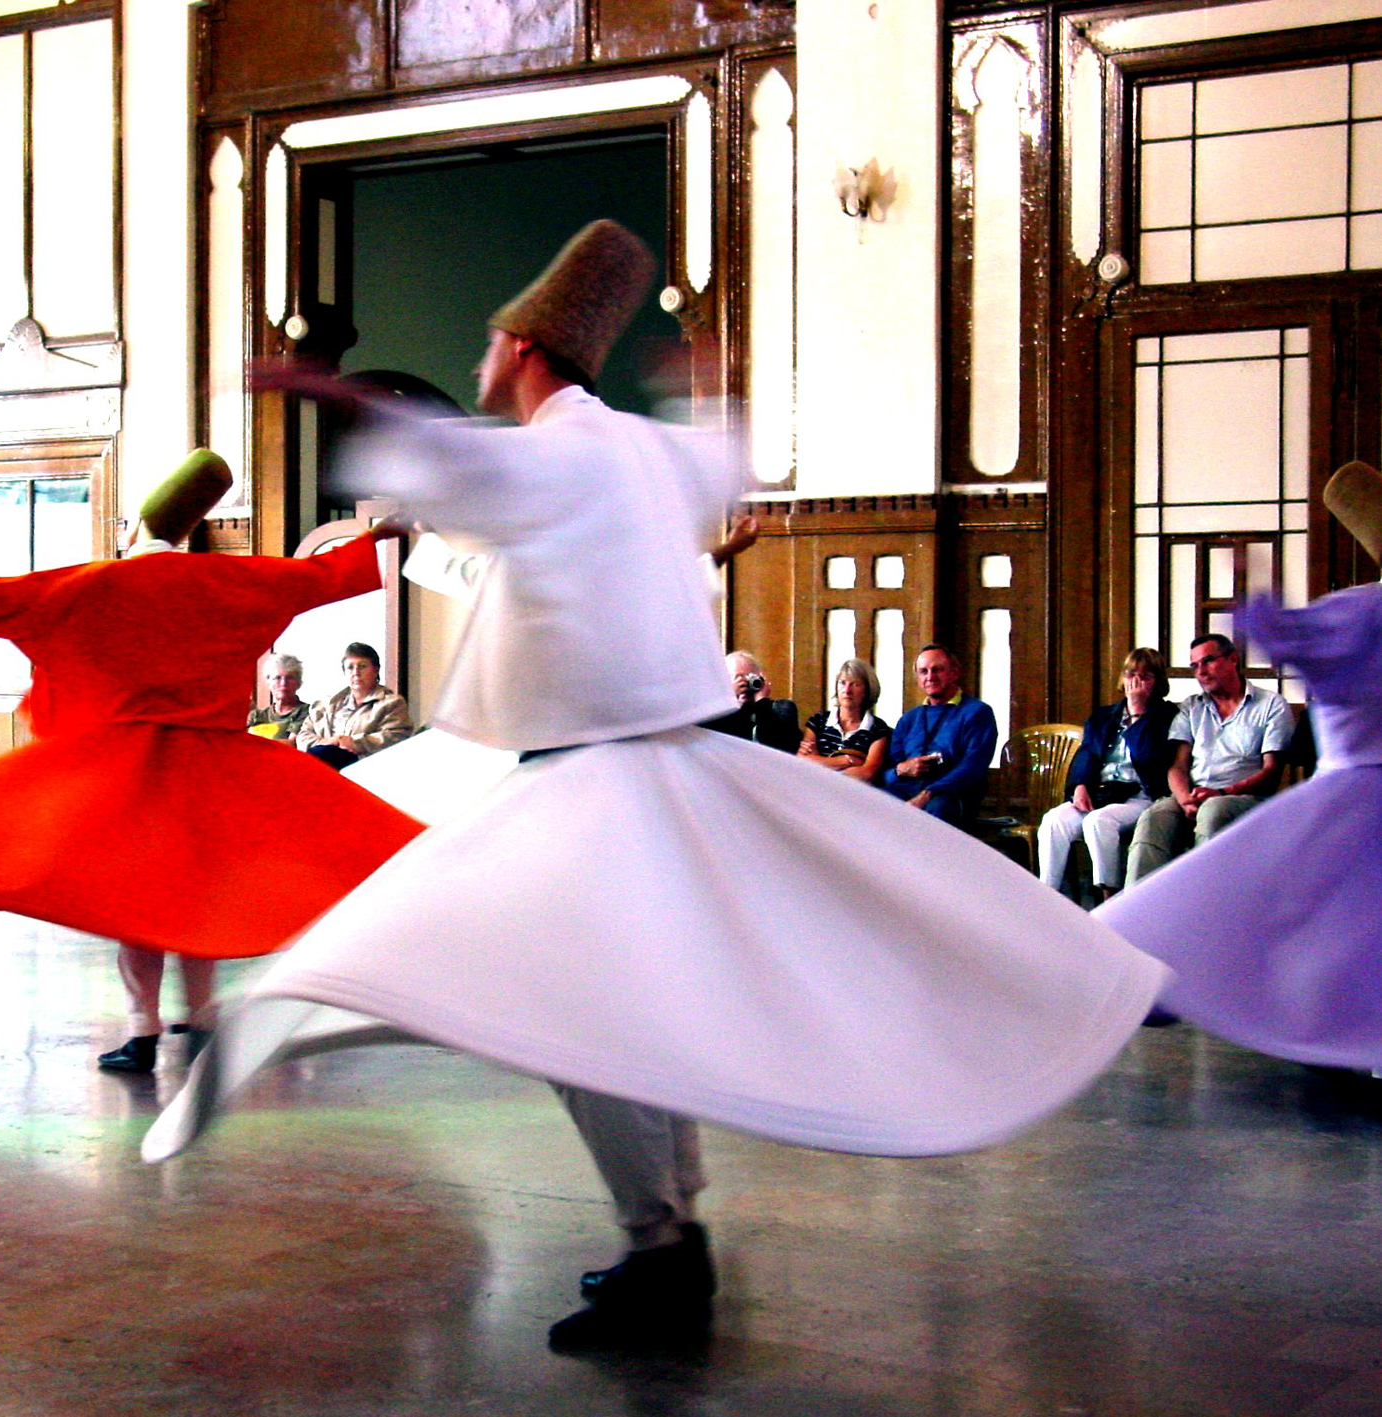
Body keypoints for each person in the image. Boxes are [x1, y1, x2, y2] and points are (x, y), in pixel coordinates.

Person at [144, 220, 1166, 1356]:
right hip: (657, 770)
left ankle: (661, 1242)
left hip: (601, 782)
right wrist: (706, 388)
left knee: (582, 1017)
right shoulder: (630, 446)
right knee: (627, 1004)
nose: (484, 360)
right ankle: (666, 1230)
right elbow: (712, 456)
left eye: (492, 341)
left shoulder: (558, 451)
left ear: (523, 348)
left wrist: (325, 393)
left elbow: (450, 467)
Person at [0, 451, 424, 1075]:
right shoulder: (233, 581)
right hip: (216, 768)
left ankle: (142, 1027)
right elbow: (319, 578)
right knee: (199, 903)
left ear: (130, 530)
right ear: (190, 531)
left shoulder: (93, 584)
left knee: (139, 904)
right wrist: (376, 534)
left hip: (124, 774)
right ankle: (200, 1020)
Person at [1098, 460, 1382, 1067]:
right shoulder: (1364, 611)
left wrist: (1256, 585)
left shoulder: (1362, 611)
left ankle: (1150, 967)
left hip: (1350, 797)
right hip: (1353, 796)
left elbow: (1276, 630)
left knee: (1317, 917)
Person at [1123, 632, 1292, 888]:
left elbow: (1272, 772)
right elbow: (1177, 766)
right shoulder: (1191, 707)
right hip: (1195, 795)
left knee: (1213, 811)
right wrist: (1184, 800)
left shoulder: (1271, 704)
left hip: (1245, 798)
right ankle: (1135, 914)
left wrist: (1222, 791)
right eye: (1194, 666)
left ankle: (1202, 903)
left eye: (1208, 661)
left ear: (1233, 659)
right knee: (1154, 816)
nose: (1200, 671)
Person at [1037, 649, 1178, 901]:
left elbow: (1151, 759)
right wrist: (1080, 785)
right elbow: (1087, 754)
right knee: (1053, 820)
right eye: (1130, 674)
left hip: (1141, 796)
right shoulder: (1103, 716)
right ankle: (1047, 896)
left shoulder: (1167, 717)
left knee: (1098, 822)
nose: (1135, 682)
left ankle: (1108, 895)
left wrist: (1137, 713)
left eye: (1144, 676)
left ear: (1158, 682)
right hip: (1102, 792)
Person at [882, 644, 999, 826]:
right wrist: (901, 770)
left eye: (937, 670)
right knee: (878, 803)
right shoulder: (908, 720)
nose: (930, 677)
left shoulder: (977, 713)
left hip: (951, 795)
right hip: (908, 791)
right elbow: (888, 770)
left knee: (938, 807)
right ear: (918, 678)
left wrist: (929, 793)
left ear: (954, 672)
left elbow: (973, 767)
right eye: (923, 671)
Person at [292, 642, 412, 770]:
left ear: (376, 670)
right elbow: (303, 736)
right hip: (321, 758)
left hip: (362, 765)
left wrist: (354, 743)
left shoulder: (392, 703)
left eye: (362, 666)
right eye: (350, 667)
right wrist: (331, 741)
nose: (356, 672)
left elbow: (396, 737)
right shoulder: (327, 704)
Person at [798, 659, 892, 783]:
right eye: (842, 683)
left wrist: (820, 762)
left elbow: (867, 773)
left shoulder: (878, 729)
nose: (847, 690)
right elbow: (802, 762)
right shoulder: (818, 721)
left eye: (855, 684)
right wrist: (847, 761)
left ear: (867, 690)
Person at [702, 652, 802, 753]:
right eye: (735, 677)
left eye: (749, 677)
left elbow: (781, 747)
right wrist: (731, 696)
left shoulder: (780, 709)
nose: (744, 684)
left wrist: (761, 700)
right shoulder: (714, 713)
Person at [247, 653, 310, 740]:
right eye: (277, 678)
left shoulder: (306, 712)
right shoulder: (256, 715)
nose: (283, 683)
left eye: (289, 678)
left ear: (298, 683)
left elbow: (291, 744)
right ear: (269, 681)